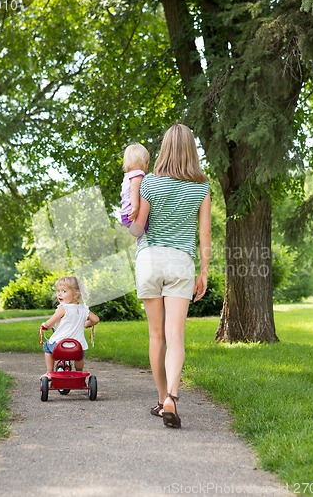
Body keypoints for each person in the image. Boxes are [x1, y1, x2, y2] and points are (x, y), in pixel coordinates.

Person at [129, 123, 211, 429]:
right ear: (192, 150)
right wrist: (203, 272)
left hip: (149, 260)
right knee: (176, 337)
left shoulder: (148, 183)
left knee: (156, 335)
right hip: (180, 262)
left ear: (164, 148)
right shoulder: (202, 187)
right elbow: (204, 233)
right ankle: (173, 398)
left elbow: (138, 227)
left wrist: (127, 220)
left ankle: (161, 396)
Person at [39, 275, 99, 377]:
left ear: (76, 294)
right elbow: (96, 320)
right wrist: (88, 324)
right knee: (79, 358)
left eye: (64, 291)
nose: (59, 294)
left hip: (59, 346)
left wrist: (45, 325)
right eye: (58, 291)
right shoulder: (84, 309)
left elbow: (49, 324)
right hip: (78, 347)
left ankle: (49, 372)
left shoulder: (63, 308)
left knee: (47, 347)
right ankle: (80, 373)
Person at [120, 143, 150, 232]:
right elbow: (134, 190)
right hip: (132, 214)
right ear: (145, 163)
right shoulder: (138, 175)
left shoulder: (127, 176)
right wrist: (135, 208)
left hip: (125, 214)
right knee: (153, 225)